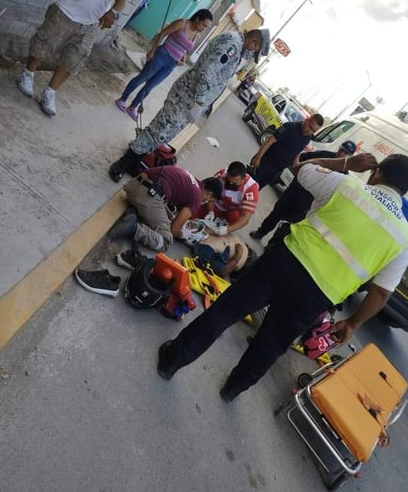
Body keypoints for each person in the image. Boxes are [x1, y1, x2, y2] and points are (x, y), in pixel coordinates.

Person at [156, 153, 408, 402]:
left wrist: (345, 164)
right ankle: (233, 389)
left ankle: (173, 359)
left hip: (283, 262)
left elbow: (300, 168)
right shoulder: (403, 238)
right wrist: (353, 323)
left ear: (377, 173)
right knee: (270, 345)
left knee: (226, 310)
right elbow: (381, 292)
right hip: (318, 295)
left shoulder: (347, 185)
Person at [108, 28, 271, 182]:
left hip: (191, 102)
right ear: (254, 41)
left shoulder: (237, 46)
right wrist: (200, 100)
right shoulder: (232, 44)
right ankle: (122, 164)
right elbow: (208, 70)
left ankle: (134, 161)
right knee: (158, 129)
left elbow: (218, 78)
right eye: (254, 52)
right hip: (186, 96)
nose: (250, 55)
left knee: (163, 135)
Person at [16, 0, 134, 116]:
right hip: (66, 9)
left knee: (73, 59)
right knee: (44, 43)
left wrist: (115, 12)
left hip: (93, 22)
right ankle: (27, 74)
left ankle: (49, 92)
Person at [115, 9, 213, 120]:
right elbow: (162, 34)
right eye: (204, 25)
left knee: (150, 86)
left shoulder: (197, 35)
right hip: (161, 56)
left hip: (171, 65)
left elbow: (185, 48)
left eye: (207, 27)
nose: (204, 28)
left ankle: (132, 107)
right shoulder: (182, 23)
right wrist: (152, 50)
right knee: (141, 79)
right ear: (197, 19)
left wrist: (183, 59)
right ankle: (122, 100)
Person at [250, 140, 357, 240]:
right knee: (277, 212)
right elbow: (302, 158)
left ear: (350, 156)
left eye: (346, 153)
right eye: (341, 150)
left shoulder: (343, 176)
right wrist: (297, 168)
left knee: (288, 224)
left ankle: (272, 245)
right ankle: (261, 232)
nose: (342, 154)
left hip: (308, 201)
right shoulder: (324, 155)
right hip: (296, 189)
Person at [108, 165, 222, 251]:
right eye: (207, 200)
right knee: (166, 241)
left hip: (133, 186)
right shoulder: (197, 197)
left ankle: (133, 213)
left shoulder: (189, 178)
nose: (204, 202)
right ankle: (134, 229)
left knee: (163, 214)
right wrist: (184, 235)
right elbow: (174, 230)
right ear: (208, 194)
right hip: (147, 196)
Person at [250, 113, 324, 189]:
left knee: (253, 192)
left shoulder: (308, 138)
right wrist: (257, 158)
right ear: (307, 119)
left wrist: (296, 163)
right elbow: (269, 141)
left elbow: (298, 150)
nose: (310, 131)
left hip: (275, 171)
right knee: (245, 187)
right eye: (310, 127)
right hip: (264, 163)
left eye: (313, 131)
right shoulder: (290, 127)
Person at [194, 161, 259, 235]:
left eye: (235, 183)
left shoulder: (251, 189)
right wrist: (210, 211)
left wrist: (226, 230)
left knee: (236, 218)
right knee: (192, 216)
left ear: (243, 179)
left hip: (232, 211)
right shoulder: (221, 174)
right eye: (228, 181)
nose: (231, 184)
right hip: (216, 205)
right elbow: (210, 194)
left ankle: (225, 228)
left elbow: (245, 217)